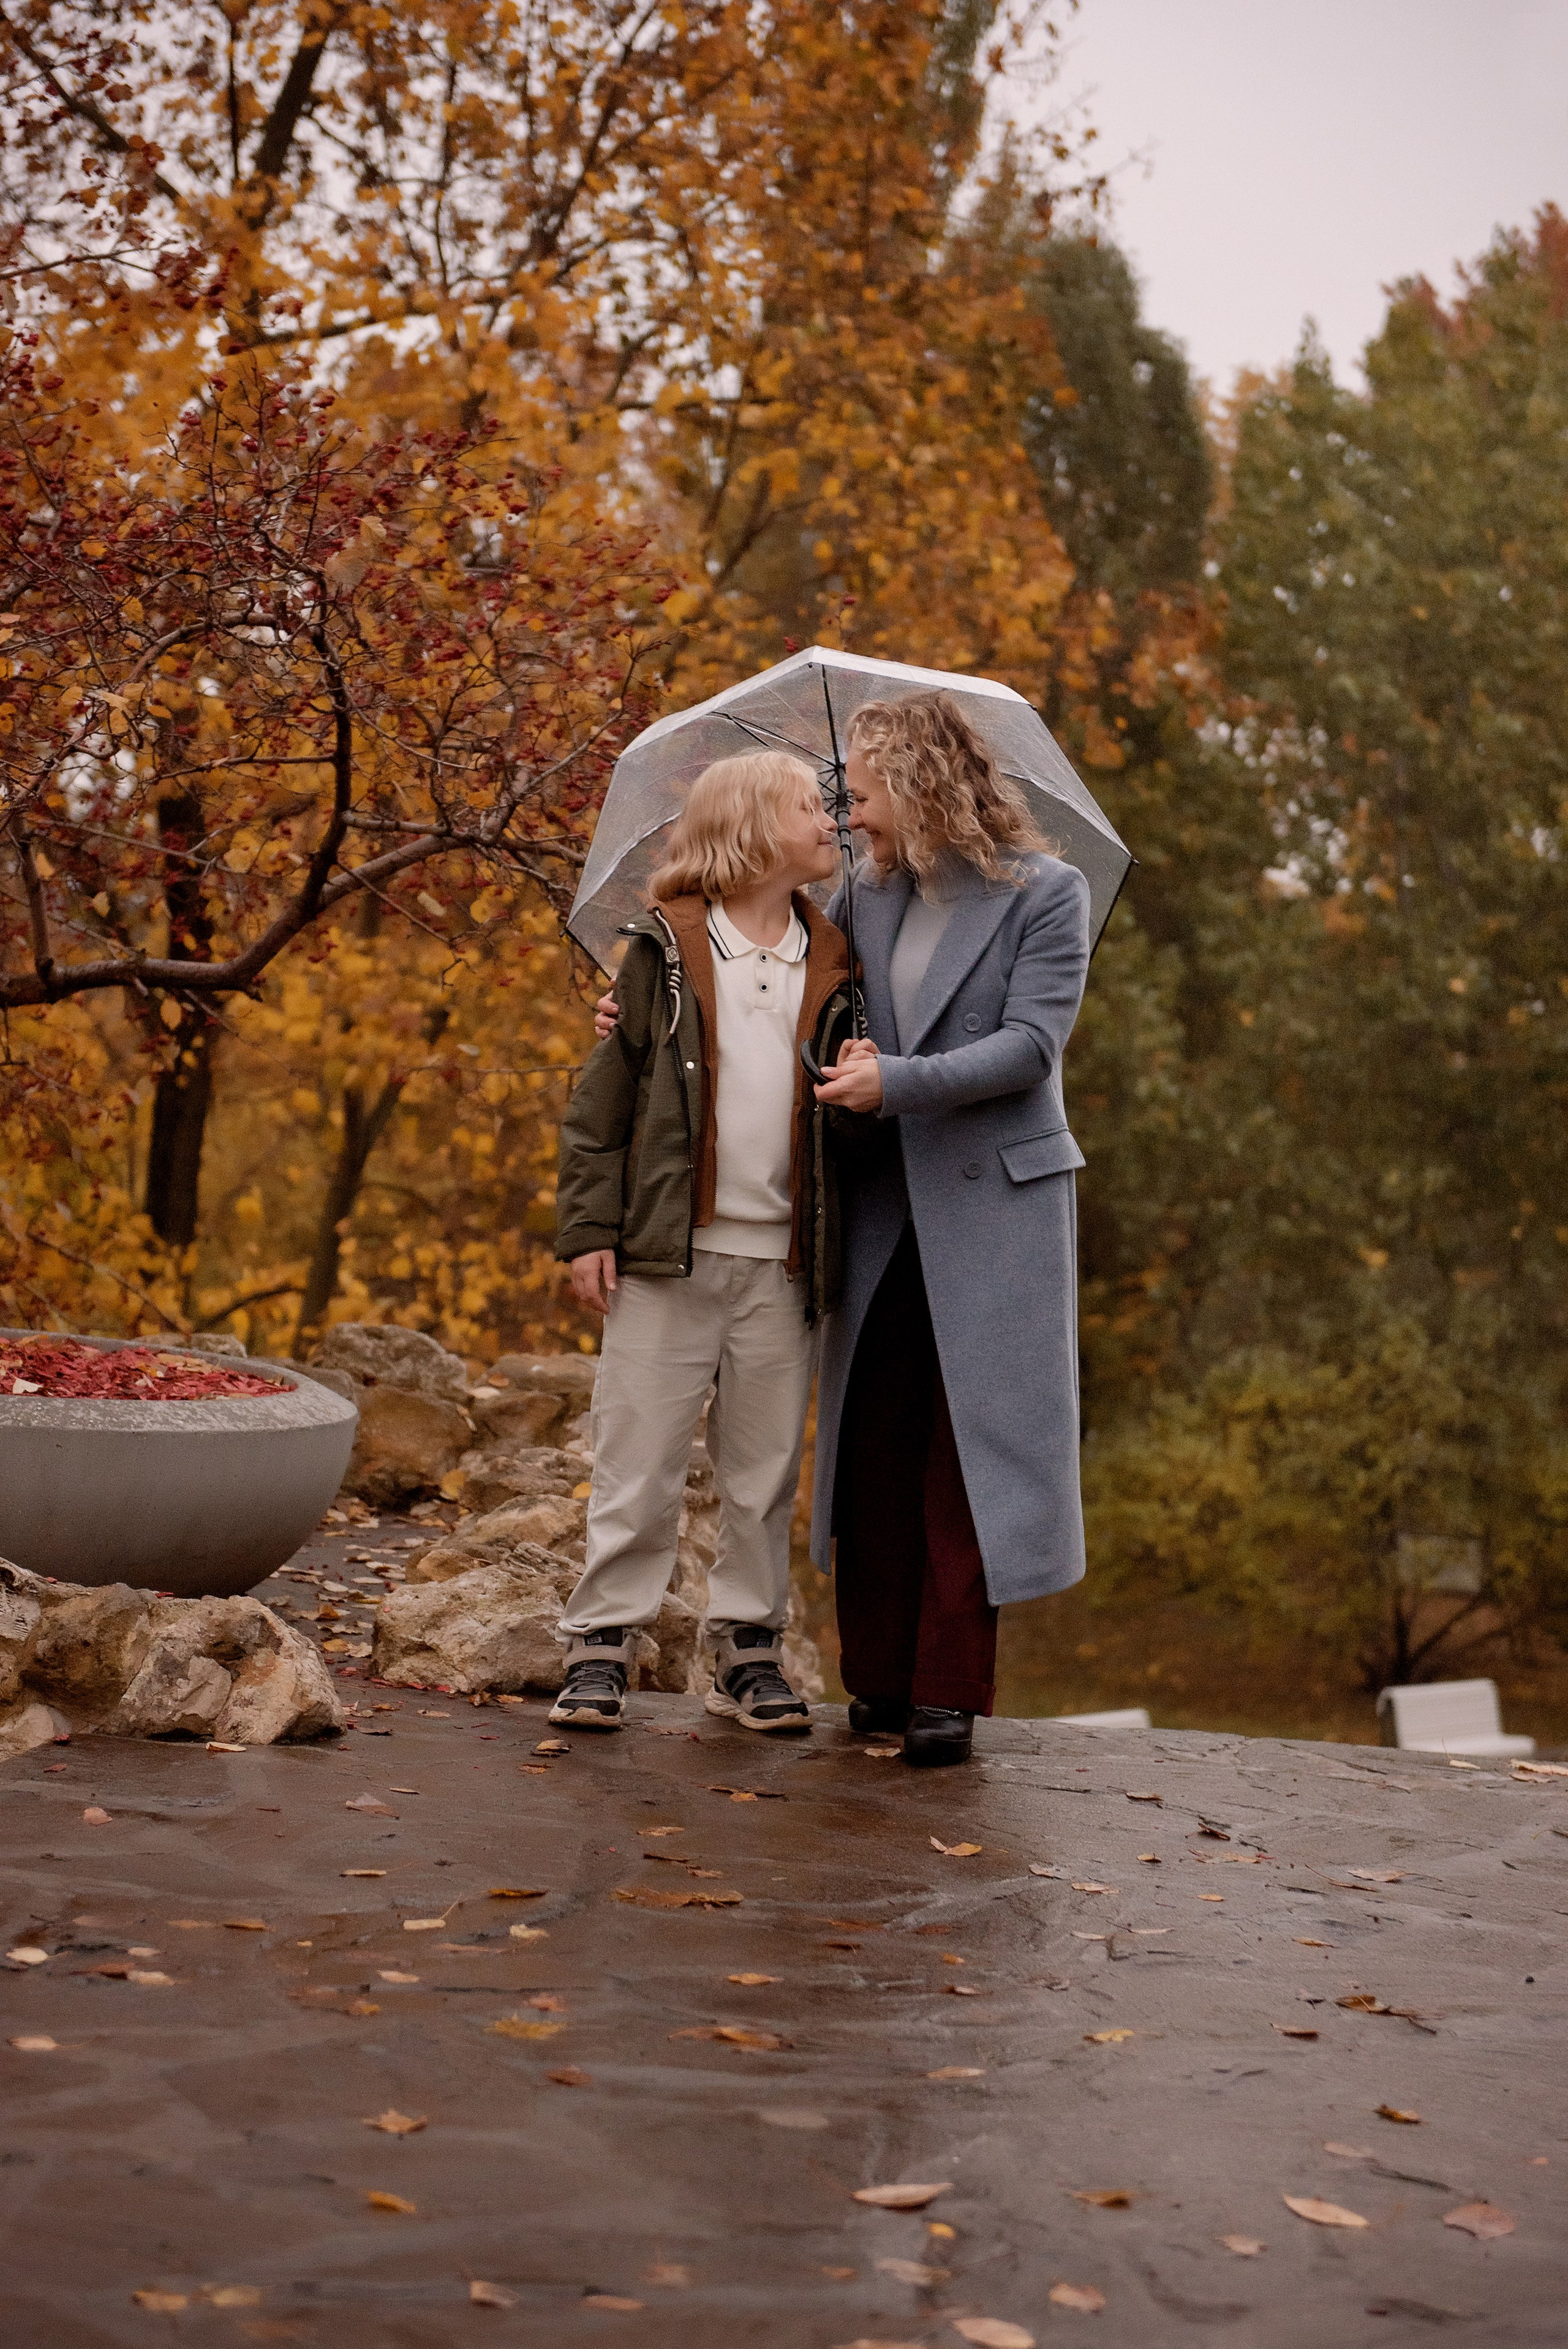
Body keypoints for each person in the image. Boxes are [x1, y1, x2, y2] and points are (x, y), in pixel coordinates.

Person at [809, 692, 1091, 1766]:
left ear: (921, 782)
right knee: (875, 1444)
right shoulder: (858, 897)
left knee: (968, 1453)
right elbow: (792, 999)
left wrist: (902, 1082)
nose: (851, 812)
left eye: (864, 791)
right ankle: (877, 1678)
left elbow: (1030, 1048)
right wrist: (645, 995)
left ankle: (946, 1691)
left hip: (998, 1211)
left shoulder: (1044, 896)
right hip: (886, 1208)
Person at [551, 751, 850, 1733]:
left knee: (762, 1475)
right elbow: (600, 1109)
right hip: (667, 1255)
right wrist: (588, 1230)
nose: (830, 820)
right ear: (756, 830)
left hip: (784, 1263)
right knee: (638, 1459)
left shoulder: (843, 960)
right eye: (811, 807)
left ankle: (747, 1649)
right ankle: (602, 1644)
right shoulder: (666, 952)